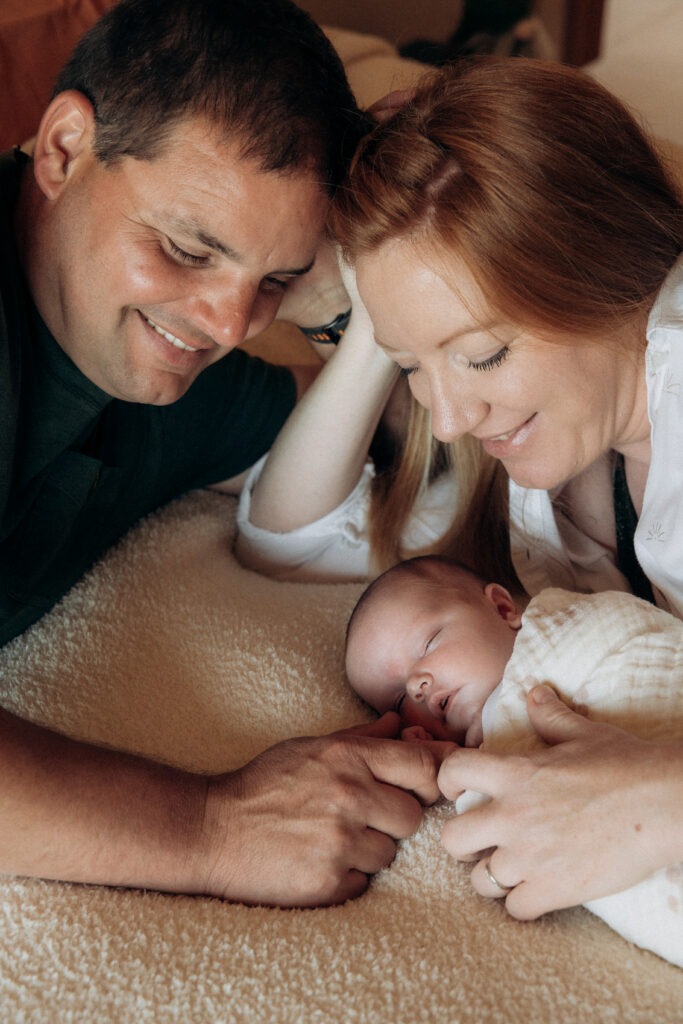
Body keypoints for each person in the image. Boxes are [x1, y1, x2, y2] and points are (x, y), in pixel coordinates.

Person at [0, 0, 449, 908]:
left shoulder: (157, 367)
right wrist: (215, 826)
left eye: (270, 279)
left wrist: (354, 305)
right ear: (61, 148)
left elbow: (401, 447)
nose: (226, 324)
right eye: (185, 248)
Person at [241, 56, 683, 920]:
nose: (446, 419)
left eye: (480, 354)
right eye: (415, 368)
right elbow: (283, 542)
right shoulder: (543, 472)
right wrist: (386, 300)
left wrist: (657, 803)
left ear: (597, 269)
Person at [343, 553, 683, 967]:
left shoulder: (571, 632)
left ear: (503, 609)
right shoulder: (472, 752)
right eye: (398, 699)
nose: (417, 685)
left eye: (429, 644)